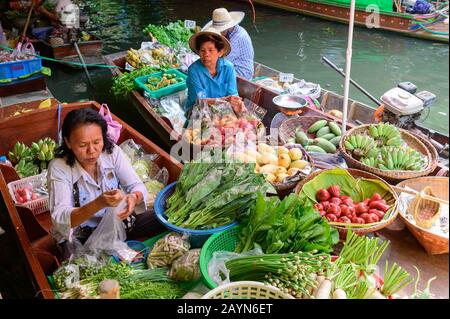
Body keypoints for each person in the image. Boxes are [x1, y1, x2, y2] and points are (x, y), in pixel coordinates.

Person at [48, 108, 164, 259]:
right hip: (80, 235)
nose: (92, 151)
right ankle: (113, 250)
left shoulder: (112, 152)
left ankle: (117, 246)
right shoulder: (59, 167)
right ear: (68, 143)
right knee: (75, 268)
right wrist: (99, 203)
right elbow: (61, 218)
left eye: (97, 142)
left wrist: (134, 197)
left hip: (118, 224)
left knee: (164, 215)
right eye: (83, 145)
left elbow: (136, 185)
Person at [185, 27, 244, 113]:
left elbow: (233, 94)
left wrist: (238, 105)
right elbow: (199, 101)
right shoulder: (193, 70)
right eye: (202, 50)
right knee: (198, 125)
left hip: (222, 109)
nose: (206, 54)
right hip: (197, 110)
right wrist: (224, 100)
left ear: (220, 52)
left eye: (210, 50)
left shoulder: (228, 68)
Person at [203, 8, 254, 80]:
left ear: (228, 27)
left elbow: (222, 61)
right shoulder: (230, 33)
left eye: (220, 30)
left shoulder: (238, 37)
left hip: (241, 73)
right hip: (231, 65)